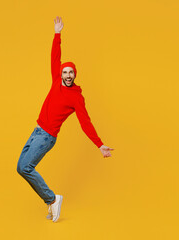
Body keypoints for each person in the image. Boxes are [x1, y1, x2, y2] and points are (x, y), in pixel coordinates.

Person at [17, 16, 114, 223]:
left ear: (74, 75)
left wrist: (99, 144)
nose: (68, 75)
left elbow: (85, 122)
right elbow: (55, 57)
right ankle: (50, 201)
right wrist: (57, 34)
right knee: (20, 167)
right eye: (65, 71)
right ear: (61, 74)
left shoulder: (76, 97)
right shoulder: (56, 81)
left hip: (47, 137)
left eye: (71, 72)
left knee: (26, 168)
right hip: (36, 131)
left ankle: (52, 199)